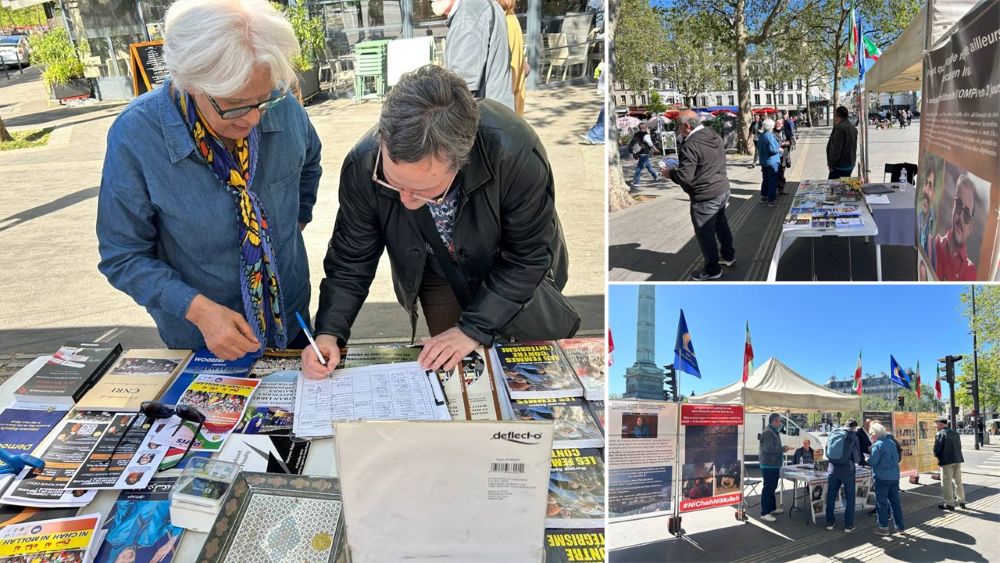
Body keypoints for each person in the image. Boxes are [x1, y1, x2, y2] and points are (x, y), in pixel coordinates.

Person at [302, 65, 574, 378]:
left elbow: (527, 257)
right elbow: (352, 259)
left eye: (425, 192)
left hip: (511, 267)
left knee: (529, 369)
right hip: (436, 269)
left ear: (462, 160)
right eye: (392, 183)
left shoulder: (514, 151)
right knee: (454, 372)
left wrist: (472, 329)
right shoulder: (364, 164)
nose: (405, 200)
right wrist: (329, 332)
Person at [96, 0, 322, 360]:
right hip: (202, 339)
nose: (251, 119)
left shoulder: (284, 107)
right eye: (233, 104)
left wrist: (293, 222)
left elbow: (309, 163)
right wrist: (198, 310)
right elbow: (123, 256)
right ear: (190, 82)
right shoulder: (137, 136)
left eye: (262, 100)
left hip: (290, 318)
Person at [662, 110, 736, 281]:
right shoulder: (713, 134)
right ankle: (728, 256)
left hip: (705, 195)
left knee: (706, 234)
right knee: (721, 224)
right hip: (722, 188)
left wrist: (668, 172)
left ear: (686, 126)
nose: (677, 130)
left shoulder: (690, 144)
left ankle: (712, 270)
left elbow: (684, 177)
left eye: (678, 126)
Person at [433, 0, 514, 110]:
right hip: (497, 114)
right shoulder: (479, 6)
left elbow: (460, 89)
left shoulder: (470, 13)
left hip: (485, 118)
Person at [933, 173, 978, 281]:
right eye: (958, 204)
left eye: (966, 214)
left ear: (970, 227)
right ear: (953, 206)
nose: (961, 218)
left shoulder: (970, 270)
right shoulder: (935, 244)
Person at [868, 421, 905, 535]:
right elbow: (897, 459)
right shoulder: (891, 442)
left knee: (882, 503)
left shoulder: (878, 445)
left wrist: (866, 460)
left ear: (876, 434)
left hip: (882, 477)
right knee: (895, 503)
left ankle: (883, 527)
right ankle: (900, 527)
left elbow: (873, 461)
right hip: (894, 476)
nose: (870, 436)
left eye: (871, 434)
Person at [826, 419, 861, 532]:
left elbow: (827, 451)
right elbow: (857, 457)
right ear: (854, 427)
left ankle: (830, 523)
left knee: (831, 496)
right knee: (850, 498)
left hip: (833, 469)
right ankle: (848, 526)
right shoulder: (852, 435)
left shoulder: (834, 432)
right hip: (847, 470)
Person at [759, 413, 790, 522]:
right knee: (768, 488)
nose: (780, 423)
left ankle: (771, 508)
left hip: (773, 464)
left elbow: (772, 447)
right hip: (769, 465)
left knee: (772, 487)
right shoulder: (768, 432)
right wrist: (782, 449)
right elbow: (768, 449)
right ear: (774, 421)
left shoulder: (772, 431)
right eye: (779, 421)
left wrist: (782, 448)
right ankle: (764, 513)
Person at [497, 0, 527, 115]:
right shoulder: (508, 18)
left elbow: (510, 78)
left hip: (506, 112)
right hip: (510, 110)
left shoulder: (505, 23)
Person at [934, 416, 966, 510]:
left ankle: (949, 503)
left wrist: (937, 457)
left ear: (940, 424)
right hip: (957, 459)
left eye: (937, 424)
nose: (936, 426)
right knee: (958, 481)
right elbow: (959, 446)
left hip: (946, 461)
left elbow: (937, 449)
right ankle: (962, 501)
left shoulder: (940, 433)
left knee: (946, 482)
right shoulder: (955, 433)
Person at [826, 106, 857, 179]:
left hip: (840, 165)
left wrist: (831, 164)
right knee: (845, 185)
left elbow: (836, 148)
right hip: (850, 163)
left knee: (833, 187)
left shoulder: (839, 128)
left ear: (837, 115)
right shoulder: (853, 128)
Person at [757, 118, 782, 207]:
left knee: (765, 180)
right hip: (772, 162)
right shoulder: (769, 135)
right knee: (772, 181)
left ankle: (763, 196)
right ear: (771, 126)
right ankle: (771, 200)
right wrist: (779, 149)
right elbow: (772, 150)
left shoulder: (761, 135)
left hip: (764, 161)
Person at [919, 162, 937, 257]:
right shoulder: (918, 218)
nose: (926, 190)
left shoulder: (935, 228)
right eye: (925, 183)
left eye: (930, 186)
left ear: (933, 194)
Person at [773, 117, 794, 195]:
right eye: (776, 123)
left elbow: (791, 140)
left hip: (784, 155)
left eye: (778, 123)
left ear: (782, 124)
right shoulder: (772, 132)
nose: (777, 125)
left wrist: (787, 143)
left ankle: (781, 188)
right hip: (774, 155)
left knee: (781, 172)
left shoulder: (785, 131)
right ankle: (775, 187)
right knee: (775, 172)